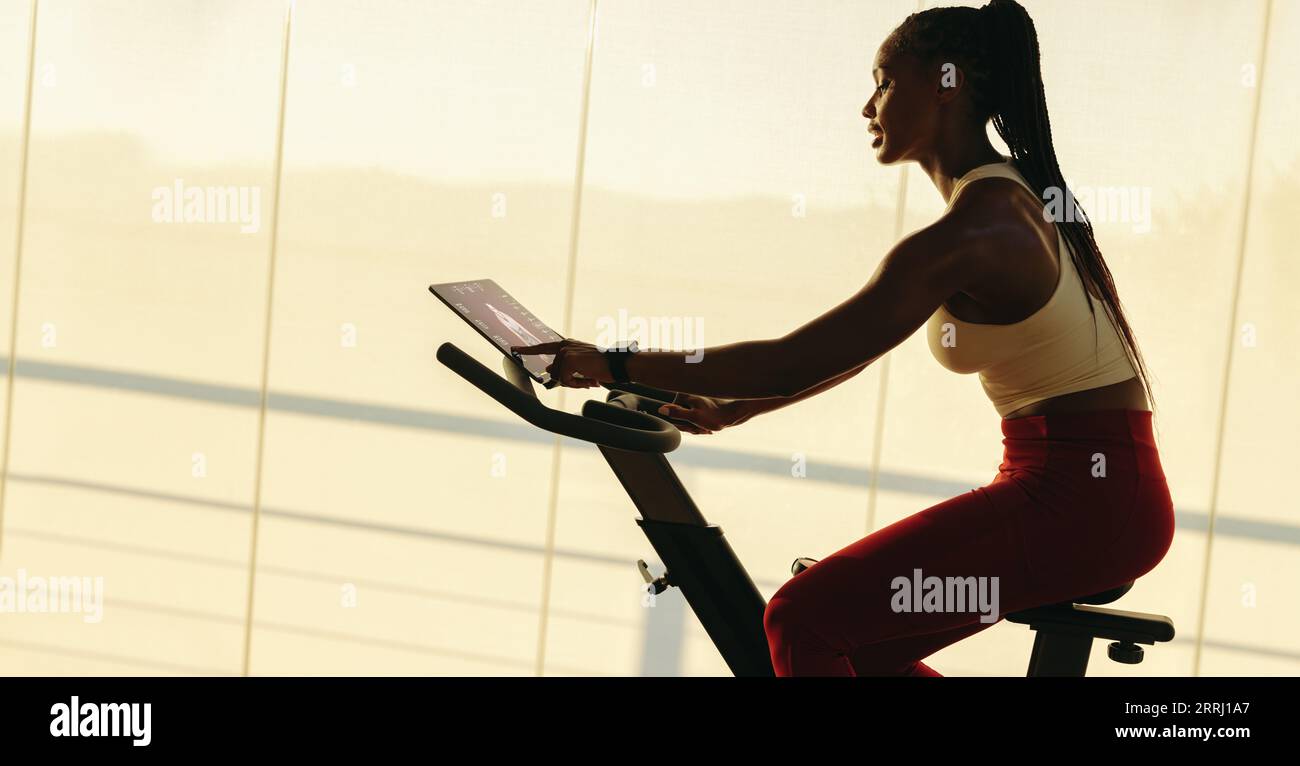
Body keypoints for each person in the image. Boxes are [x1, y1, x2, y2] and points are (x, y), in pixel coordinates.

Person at [512, 0, 1174, 677]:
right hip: (1081, 489)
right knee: (846, 644)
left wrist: (607, 363)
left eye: (884, 80)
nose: (868, 106)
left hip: (1085, 501)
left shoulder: (979, 227)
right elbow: (854, 350)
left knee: (802, 618)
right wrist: (746, 408)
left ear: (948, 83)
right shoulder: (998, 203)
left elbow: (787, 360)